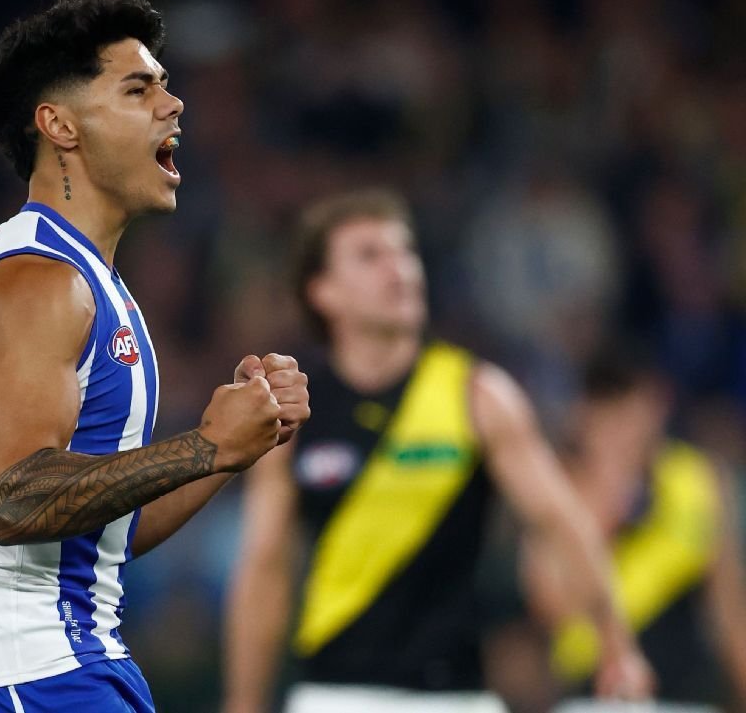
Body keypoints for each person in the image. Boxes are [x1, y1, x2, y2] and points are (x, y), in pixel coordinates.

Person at [0, 0, 311, 712]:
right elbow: (14, 500)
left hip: (63, 661)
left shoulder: (89, 280)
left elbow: (105, 539)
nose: (173, 104)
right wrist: (203, 445)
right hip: (24, 670)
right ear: (59, 124)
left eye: (163, 84)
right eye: (138, 88)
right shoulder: (38, 280)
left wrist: (232, 449)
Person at [222, 189, 650, 713]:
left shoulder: (478, 395)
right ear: (323, 292)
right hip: (334, 694)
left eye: (405, 252)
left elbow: (560, 523)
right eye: (370, 255)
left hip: (458, 697)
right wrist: (243, 703)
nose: (400, 269)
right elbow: (264, 569)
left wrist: (617, 643)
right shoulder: (295, 411)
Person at [525, 349, 746, 711]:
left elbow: (728, 608)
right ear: (585, 417)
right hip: (593, 689)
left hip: (685, 688)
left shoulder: (697, 481)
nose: (625, 429)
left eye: (632, 410)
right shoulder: (562, 487)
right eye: (610, 413)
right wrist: (606, 502)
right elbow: (549, 604)